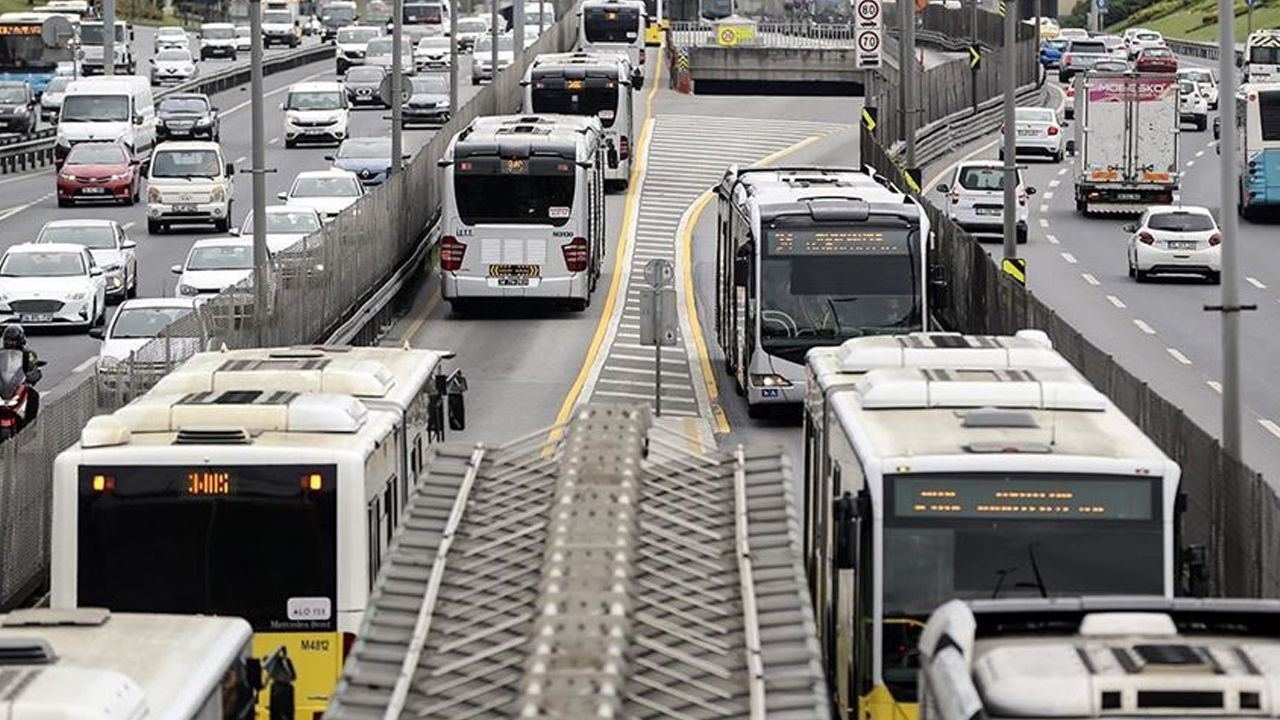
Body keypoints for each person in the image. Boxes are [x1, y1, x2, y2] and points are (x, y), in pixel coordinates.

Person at [2, 325, 40, 425]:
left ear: (20, 341)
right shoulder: (0, 354)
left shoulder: (28, 354)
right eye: (8, 340)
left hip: (19, 387)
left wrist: (32, 376)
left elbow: (33, 368)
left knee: (33, 395)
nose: (10, 343)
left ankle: (30, 425)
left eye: (13, 340)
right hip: (2, 386)